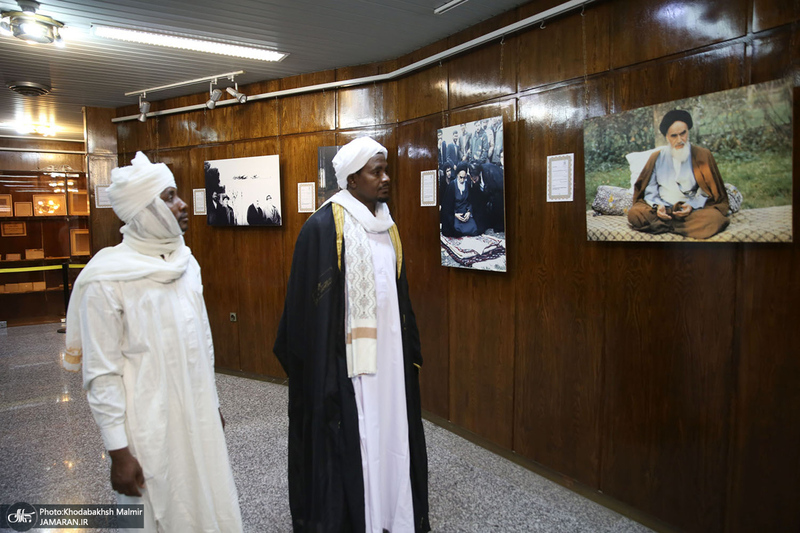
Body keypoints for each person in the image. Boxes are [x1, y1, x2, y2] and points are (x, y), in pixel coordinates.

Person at [62, 152, 243, 533]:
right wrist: (118, 451)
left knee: (207, 503)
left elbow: (202, 343)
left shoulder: (186, 262)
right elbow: (102, 374)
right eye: (169, 197)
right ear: (143, 210)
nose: (181, 206)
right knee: (156, 512)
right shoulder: (106, 279)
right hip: (145, 426)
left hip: (197, 412)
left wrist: (213, 401)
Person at [274, 136, 430, 533]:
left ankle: (392, 515)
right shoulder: (324, 227)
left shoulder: (388, 226)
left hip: (389, 365)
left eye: (385, 169)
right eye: (375, 171)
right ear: (351, 178)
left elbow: (400, 297)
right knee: (357, 437)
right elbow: (306, 310)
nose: (385, 178)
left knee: (391, 433)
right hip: (348, 369)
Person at [628, 109, 730, 239]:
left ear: (688, 131)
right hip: (662, 209)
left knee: (714, 219)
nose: (680, 140)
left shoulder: (702, 155)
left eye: (683, 133)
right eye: (674, 136)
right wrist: (659, 206)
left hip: (691, 211)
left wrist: (692, 206)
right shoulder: (657, 157)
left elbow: (707, 192)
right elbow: (651, 190)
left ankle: (664, 226)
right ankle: (679, 226)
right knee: (635, 214)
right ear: (667, 137)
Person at [440, 162, 479, 237]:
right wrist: (455, 214)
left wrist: (469, 212)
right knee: (456, 230)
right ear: (457, 175)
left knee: (474, 229)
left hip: (465, 214)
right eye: (461, 177)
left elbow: (470, 201)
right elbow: (447, 206)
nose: (462, 180)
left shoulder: (467, 185)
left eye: (464, 178)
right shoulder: (452, 185)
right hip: (456, 214)